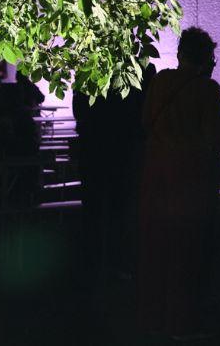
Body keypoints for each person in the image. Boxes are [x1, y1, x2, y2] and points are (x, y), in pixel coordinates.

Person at [137, 27, 220, 340]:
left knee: (156, 246)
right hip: (192, 175)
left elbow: (146, 120)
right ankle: (182, 323)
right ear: (208, 58)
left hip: (157, 170)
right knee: (188, 250)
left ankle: (151, 317)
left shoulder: (160, 81)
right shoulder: (207, 90)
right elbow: (214, 136)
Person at [73, 62, 154, 281]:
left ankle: (92, 264)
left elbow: (78, 109)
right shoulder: (141, 70)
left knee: (94, 210)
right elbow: (144, 113)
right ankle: (119, 262)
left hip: (94, 148)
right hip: (124, 149)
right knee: (122, 209)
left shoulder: (88, 69)